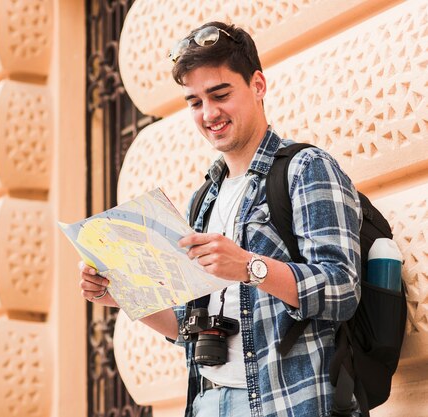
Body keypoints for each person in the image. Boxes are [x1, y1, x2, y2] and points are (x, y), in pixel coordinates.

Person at [79, 21, 362, 417]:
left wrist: (249, 267)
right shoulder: (204, 199)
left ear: (258, 85)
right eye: (195, 102)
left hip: (286, 403)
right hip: (208, 400)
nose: (209, 113)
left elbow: (342, 289)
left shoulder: (305, 168)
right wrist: (122, 295)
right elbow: (186, 329)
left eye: (220, 94)